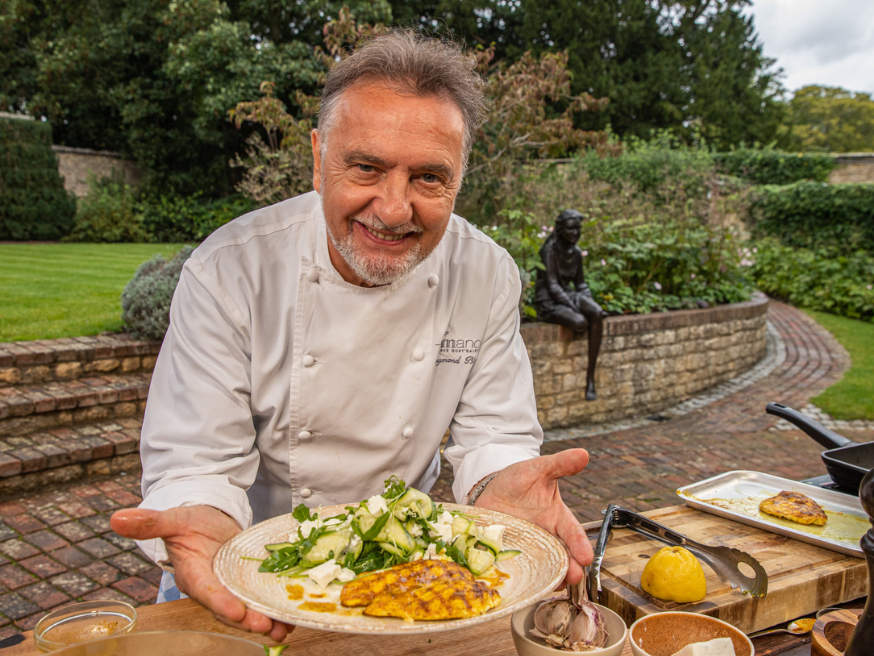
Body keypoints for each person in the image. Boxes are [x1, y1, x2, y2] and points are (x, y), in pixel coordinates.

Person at [110, 31, 593, 642]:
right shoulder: (230, 269)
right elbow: (197, 458)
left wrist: (505, 482)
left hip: (404, 572)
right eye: (366, 167)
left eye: (428, 178)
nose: (393, 210)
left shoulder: (486, 272)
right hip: (236, 566)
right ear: (318, 159)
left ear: (460, 179)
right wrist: (201, 518)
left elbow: (496, 431)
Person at [534, 210, 608, 401]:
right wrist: (576, 307)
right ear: (560, 230)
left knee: (597, 313)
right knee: (580, 322)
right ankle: (573, 314)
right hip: (549, 299)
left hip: (567, 294)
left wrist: (588, 301)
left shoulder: (575, 252)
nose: (575, 233)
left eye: (577, 229)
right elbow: (552, 285)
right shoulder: (549, 250)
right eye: (570, 229)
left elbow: (581, 284)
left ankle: (590, 379)